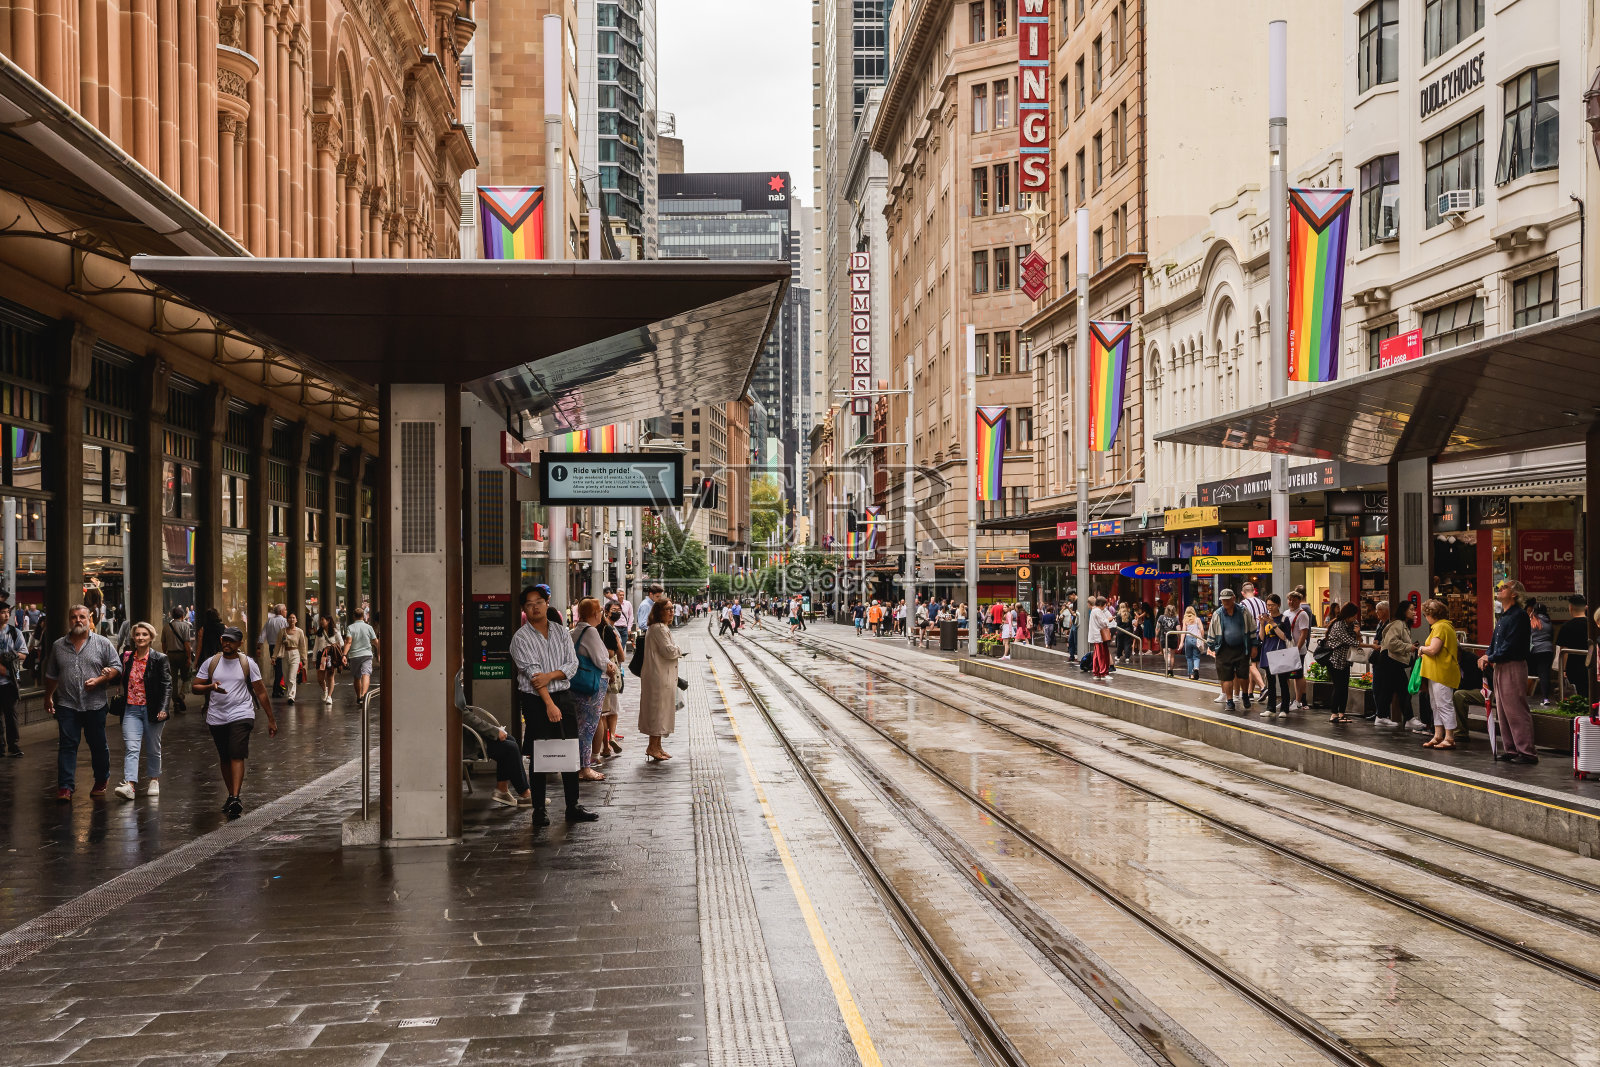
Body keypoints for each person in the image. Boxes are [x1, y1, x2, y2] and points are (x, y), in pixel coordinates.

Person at [510, 584, 597, 826]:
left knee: (570, 753)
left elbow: (572, 665)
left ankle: (573, 805)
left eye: (538, 601)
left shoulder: (560, 632)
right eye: (529, 604)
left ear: (547, 603)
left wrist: (550, 676)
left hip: (563, 698)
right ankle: (539, 809)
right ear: (524, 610)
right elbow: (532, 674)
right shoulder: (521, 638)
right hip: (536, 701)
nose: (535, 607)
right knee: (540, 755)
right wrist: (549, 703)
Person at [192, 626, 277, 814]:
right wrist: (210, 687)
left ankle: (236, 797)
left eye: (231, 641)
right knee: (224, 756)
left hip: (242, 713)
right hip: (216, 716)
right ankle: (231, 795)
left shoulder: (247, 663)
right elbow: (195, 687)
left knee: (236, 753)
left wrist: (271, 718)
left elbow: (261, 691)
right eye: (224, 640)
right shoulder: (211, 662)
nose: (227, 643)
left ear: (239, 643)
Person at [43, 604, 122, 801]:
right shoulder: (58, 646)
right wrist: (48, 696)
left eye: (82, 617)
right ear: (69, 620)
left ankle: (101, 779)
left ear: (89, 619)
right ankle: (65, 787)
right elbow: (52, 675)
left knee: (98, 744)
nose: (78, 620)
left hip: (95, 705)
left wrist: (101, 679)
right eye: (73, 617)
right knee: (67, 745)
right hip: (67, 704)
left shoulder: (102, 643)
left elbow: (116, 667)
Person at [1480, 580, 1537, 764]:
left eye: (1504, 587)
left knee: (1515, 708)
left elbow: (1510, 643)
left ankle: (1526, 752)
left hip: (1513, 664)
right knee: (1503, 710)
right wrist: (1487, 655)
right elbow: (1494, 642)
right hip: (1502, 664)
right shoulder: (1503, 616)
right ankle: (1511, 749)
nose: (1499, 588)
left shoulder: (1518, 615)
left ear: (1514, 594)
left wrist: (1490, 656)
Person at [113, 622, 172, 800]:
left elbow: (167, 685)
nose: (140, 637)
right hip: (131, 709)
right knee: (132, 747)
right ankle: (130, 785)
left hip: (152, 709)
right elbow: (118, 675)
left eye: (144, 634)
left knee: (153, 747)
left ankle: (154, 779)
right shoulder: (127, 657)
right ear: (133, 637)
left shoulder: (159, 658)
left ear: (151, 637)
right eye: (137, 634)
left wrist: (164, 708)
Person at [570, 598, 616, 784]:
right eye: (600, 612)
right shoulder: (591, 632)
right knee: (588, 726)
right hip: (592, 686)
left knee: (580, 725)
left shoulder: (574, 631)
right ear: (595, 613)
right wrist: (611, 668)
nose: (601, 615)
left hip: (576, 684)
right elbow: (601, 660)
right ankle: (585, 767)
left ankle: (580, 764)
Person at [638, 597, 681, 762]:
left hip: (662, 675)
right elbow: (669, 651)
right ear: (658, 612)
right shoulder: (658, 629)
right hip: (658, 677)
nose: (671, 612)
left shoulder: (660, 628)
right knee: (657, 712)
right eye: (668, 609)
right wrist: (679, 648)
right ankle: (652, 747)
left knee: (661, 712)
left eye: (672, 608)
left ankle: (657, 746)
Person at [1417, 600, 1461, 749]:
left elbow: (1434, 649)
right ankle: (1438, 735)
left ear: (1431, 614)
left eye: (1425, 614)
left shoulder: (1441, 627)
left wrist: (1422, 649)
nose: (1425, 617)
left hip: (1442, 672)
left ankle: (1449, 737)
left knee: (1443, 704)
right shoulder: (1441, 626)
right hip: (1436, 672)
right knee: (1436, 705)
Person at [1369, 601, 1416, 729]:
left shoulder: (1402, 625)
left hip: (1393, 661)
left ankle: (1383, 716)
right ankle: (1406, 718)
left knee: (1393, 689)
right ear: (1404, 611)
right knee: (1399, 689)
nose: (1414, 612)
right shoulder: (1398, 624)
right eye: (1411, 609)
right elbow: (1391, 643)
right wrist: (1409, 647)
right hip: (1390, 660)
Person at [1206, 589, 1254, 713]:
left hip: (1241, 648)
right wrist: (1211, 646)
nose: (1225, 602)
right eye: (1223, 600)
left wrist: (1254, 645)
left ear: (1233, 598)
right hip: (1224, 648)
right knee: (1226, 677)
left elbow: (1252, 626)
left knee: (1243, 675)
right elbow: (1212, 630)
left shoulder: (1243, 611)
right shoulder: (1218, 613)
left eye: (1227, 599)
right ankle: (1229, 700)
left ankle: (1244, 696)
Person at [1320, 603, 1364, 725]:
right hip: (1335, 660)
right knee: (1338, 687)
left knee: (1344, 687)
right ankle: (1334, 714)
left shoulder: (1352, 625)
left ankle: (1341, 714)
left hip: (1346, 660)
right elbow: (1352, 642)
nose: (1355, 618)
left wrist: (1358, 633)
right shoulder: (1339, 625)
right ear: (1348, 615)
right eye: (1354, 615)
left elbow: (1358, 640)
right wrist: (1371, 646)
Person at [597, 601, 627, 761]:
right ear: (606, 612)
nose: (618, 612)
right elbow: (620, 656)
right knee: (612, 710)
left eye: (619, 610)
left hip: (598, 674)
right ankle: (611, 738)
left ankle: (606, 746)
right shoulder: (609, 630)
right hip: (611, 674)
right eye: (614, 610)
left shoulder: (595, 629)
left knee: (604, 712)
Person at [1257, 594, 1295, 720]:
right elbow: (1262, 638)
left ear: (1278, 605)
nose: (1270, 608)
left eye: (1272, 605)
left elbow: (1285, 637)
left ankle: (1284, 708)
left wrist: (1272, 623)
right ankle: (1270, 708)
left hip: (1280, 653)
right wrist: (1262, 624)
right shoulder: (1265, 619)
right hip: (1267, 652)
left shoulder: (1284, 619)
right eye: (1268, 605)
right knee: (1271, 682)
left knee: (1283, 682)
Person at [0, 603, 26, 756]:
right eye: (2, 612)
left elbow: (24, 654)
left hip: (10, 682)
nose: (6, 615)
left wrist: (12, 656)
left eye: (7, 612)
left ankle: (13, 745)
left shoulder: (14, 632)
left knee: (11, 714)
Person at [160, 606, 193, 714]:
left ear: (172, 616)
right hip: (182, 655)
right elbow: (187, 644)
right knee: (187, 677)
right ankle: (181, 695)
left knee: (172, 680)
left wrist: (166, 654)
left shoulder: (166, 627)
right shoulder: (185, 626)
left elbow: (163, 644)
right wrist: (189, 658)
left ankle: (175, 703)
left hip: (170, 655)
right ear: (183, 616)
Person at [1284, 590, 1313, 710]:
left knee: (1297, 675)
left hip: (1297, 650)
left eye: (1294, 600)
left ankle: (1298, 700)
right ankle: (1288, 699)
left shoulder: (1302, 614)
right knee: (1286, 675)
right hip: (1287, 649)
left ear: (1299, 601)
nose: (1291, 602)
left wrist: (1297, 649)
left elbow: (1303, 633)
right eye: (1290, 599)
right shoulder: (1286, 613)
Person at [342, 609, 379, 703]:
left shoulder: (350, 627)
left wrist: (344, 655)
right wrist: (380, 652)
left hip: (354, 655)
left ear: (354, 616)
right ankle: (363, 695)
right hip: (367, 654)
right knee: (366, 674)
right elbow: (375, 641)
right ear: (363, 616)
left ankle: (358, 696)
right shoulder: (369, 627)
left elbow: (348, 642)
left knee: (357, 677)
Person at [1558, 595, 1589, 699]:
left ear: (1570, 607)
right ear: (1586, 607)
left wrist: (1563, 670)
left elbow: (1564, 651)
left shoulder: (1566, 626)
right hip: (1590, 665)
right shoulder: (1592, 625)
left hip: (1573, 667)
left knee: (1576, 696)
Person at [1526, 597, 1554, 706]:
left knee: (1527, 672)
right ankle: (1546, 698)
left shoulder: (1532, 621)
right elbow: (1551, 637)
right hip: (1547, 650)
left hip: (1534, 651)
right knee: (1544, 674)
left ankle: (1525, 695)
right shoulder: (1549, 623)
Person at [275, 612, 308, 705]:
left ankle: (291, 696)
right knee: (285, 677)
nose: (292, 619)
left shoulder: (299, 631)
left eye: (293, 618)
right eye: (290, 618)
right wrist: (274, 657)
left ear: (296, 620)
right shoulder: (282, 631)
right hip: (285, 654)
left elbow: (302, 646)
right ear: (287, 620)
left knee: (292, 677)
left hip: (295, 654)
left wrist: (304, 658)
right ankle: (289, 692)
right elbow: (277, 645)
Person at [257, 603, 289, 695]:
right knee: (280, 669)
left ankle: (279, 688)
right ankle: (276, 689)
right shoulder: (284, 621)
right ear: (281, 611)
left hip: (272, 647)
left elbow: (262, 635)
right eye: (285, 610)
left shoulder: (269, 621)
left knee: (277, 668)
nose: (286, 611)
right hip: (281, 647)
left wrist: (258, 647)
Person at [313, 614, 344, 704]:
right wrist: (314, 658)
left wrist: (331, 646)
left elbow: (341, 643)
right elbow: (316, 646)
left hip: (331, 656)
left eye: (323, 619)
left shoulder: (334, 631)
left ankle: (329, 696)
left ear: (328, 621)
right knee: (320, 678)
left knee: (330, 676)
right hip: (321, 656)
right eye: (320, 620)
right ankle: (325, 690)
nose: (321, 621)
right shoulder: (319, 632)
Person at [1086, 596, 1114, 680]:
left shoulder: (1094, 611)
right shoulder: (1098, 611)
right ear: (1102, 604)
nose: (1105, 606)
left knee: (1097, 655)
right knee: (1101, 655)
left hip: (1096, 636)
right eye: (1105, 605)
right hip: (1099, 636)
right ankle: (1103, 673)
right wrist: (1109, 619)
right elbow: (1103, 623)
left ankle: (1097, 672)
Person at [1181, 606, 1204, 680]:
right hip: (1196, 639)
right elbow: (1202, 629)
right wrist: (1202, 639)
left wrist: (1181, 642)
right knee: (1196, 656)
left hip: (1188, 639)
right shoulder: (1197, 620)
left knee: (1189, 657)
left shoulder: (1185, 620)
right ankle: (1196, 668)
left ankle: (1191, 675)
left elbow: (1183, 632)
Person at [1156, 602, 1179, 677]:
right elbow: (1179, 629)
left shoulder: (1161, 617)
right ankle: (1171, 671)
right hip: (1173, 638)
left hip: (1164, 638)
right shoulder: (1176, 619)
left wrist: (1156, 637)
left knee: (1166, 654)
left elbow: (1157, 628)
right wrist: (1179, 637)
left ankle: (1167, 669)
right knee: (1172, 655)